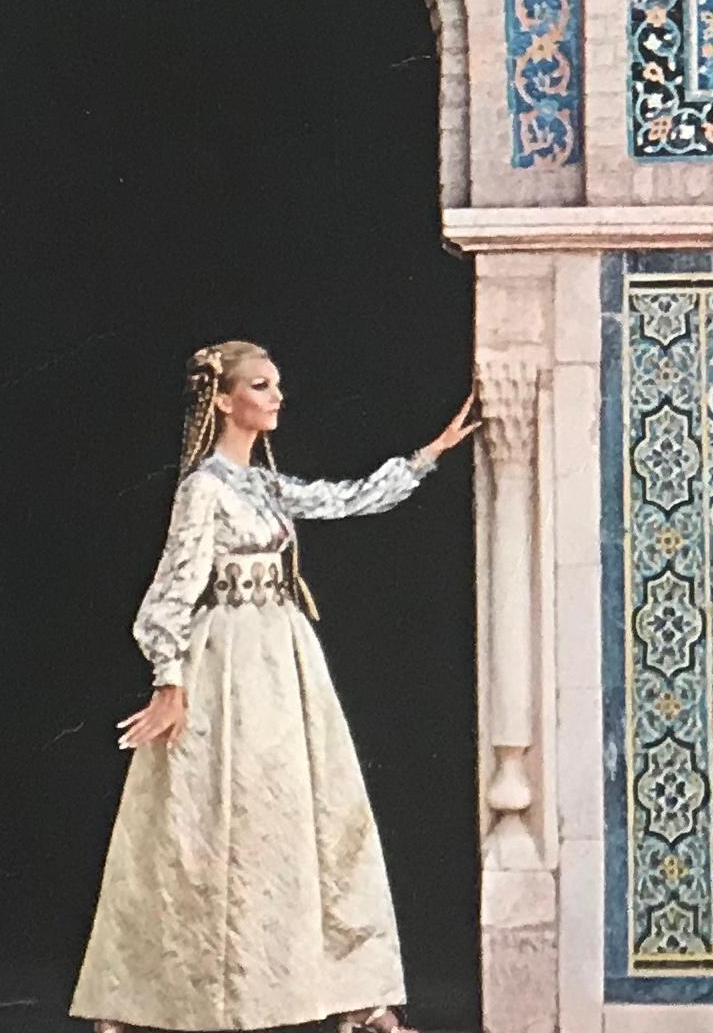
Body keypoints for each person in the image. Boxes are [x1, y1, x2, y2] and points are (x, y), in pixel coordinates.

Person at [73, 340, 480, 1033]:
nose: (276, 397)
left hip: (283, 654)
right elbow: (169, 592)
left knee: (320, 816)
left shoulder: (261, 483)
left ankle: (356, 996)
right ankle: (161, 1001)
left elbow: (345, 499)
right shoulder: (204, 487)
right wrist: (168, 683)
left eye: (277, 385)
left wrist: (432, 451)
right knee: (216, 825)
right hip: (229, 660)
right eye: (261, 386)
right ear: (225, 399)